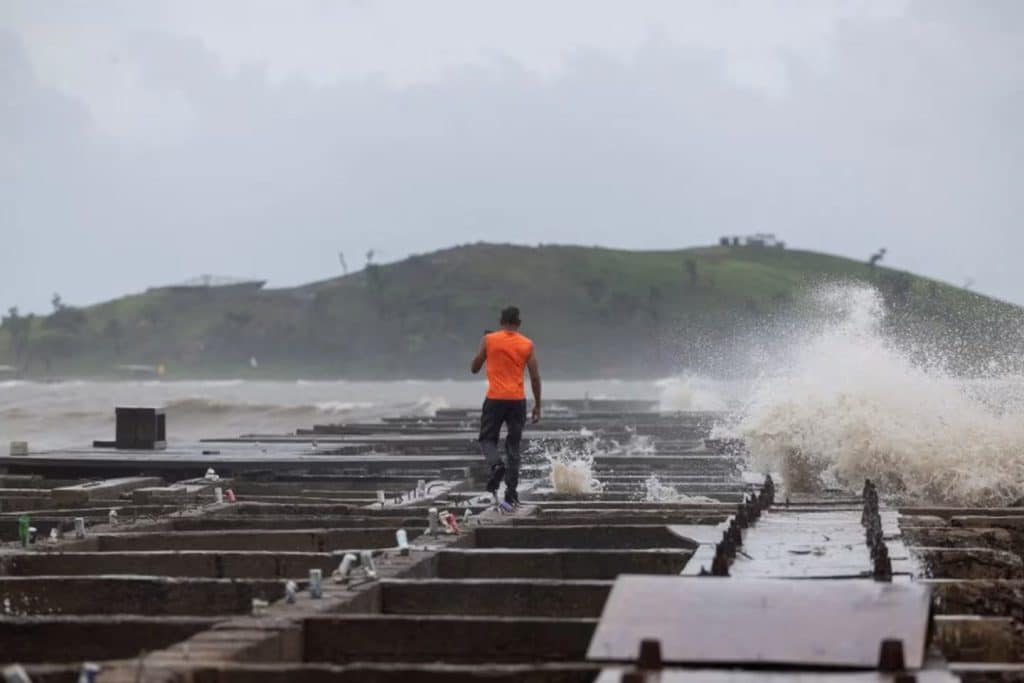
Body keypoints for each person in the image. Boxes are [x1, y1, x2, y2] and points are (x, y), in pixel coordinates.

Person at [471, 305, 541, 511]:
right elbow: (535, 377)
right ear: (519, 324)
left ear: (501, 322)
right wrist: (538, 405)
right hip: (517, 400)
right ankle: (511, 494)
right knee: (513, 447)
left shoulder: (489, 340)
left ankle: (496, 465)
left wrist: (484, 344)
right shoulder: (527, 344)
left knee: (486, 438)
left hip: (495, 398)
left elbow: (474, 368)